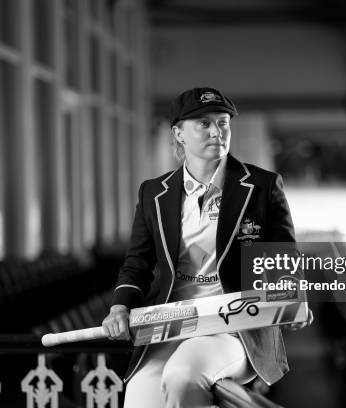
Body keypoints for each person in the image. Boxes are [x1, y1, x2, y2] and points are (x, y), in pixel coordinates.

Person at [102, 87, 312, 407]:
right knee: (138, 397)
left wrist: (291, 296)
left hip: (235, 327)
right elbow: (138, 263)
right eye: (203, 123)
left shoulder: (262, 186)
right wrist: (120, 307)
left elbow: (284, 257)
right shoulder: (153, 193)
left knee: (183, 375)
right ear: (179, 134)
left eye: (223, 122)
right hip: (170, 325)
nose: (217, 131)